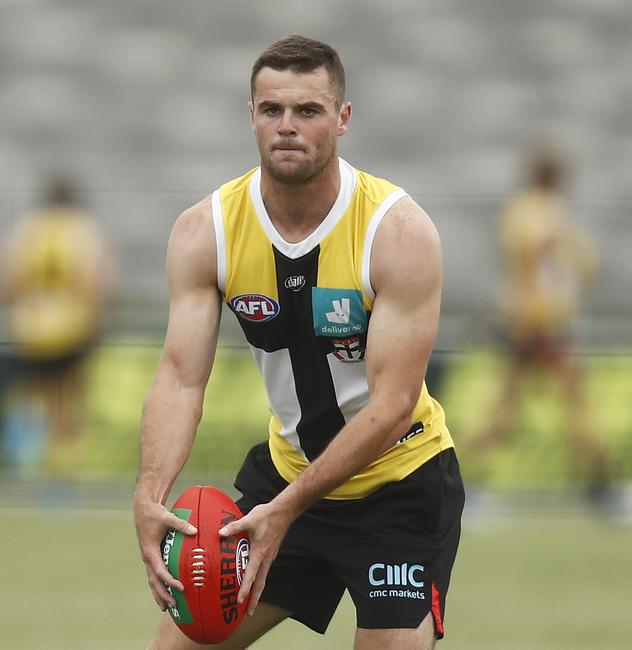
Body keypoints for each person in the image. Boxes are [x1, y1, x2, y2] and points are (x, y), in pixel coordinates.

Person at [133, 35, 464, 650]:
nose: (287, 127)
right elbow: (181, 378)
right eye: (271, 110)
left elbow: (392, 406)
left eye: (308, 111)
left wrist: (286, 508)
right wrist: (148, 496)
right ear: (251, 116)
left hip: (397, 486)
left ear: (342, 120)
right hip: (284, 479)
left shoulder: (397, 232)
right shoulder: (205, 231)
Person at [466, 146, 609, 498]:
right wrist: (536, 315)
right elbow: (537, 258)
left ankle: (467, 478)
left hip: (528, 320)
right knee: (570, 401)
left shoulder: (520, 210)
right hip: (539, 323)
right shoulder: (543, 211)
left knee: (509, 405)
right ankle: (601, 482)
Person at [0, 175, 114, 475]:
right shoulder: (84, 230)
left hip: (29, 329)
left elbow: (9, 283)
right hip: (71, 329)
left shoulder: (27, 229)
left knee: (31, 399)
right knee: (67, 403)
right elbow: (95, 283)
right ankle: (61, 480)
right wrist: (95, 324)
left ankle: (24, 468)